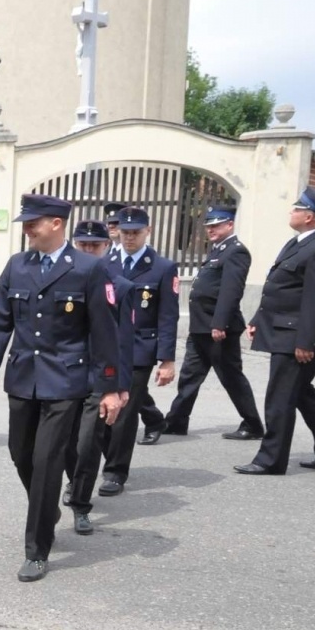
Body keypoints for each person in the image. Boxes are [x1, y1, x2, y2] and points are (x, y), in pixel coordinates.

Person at [0, 194, 121, 582]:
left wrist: (110, 387)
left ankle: (37, 548)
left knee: (46, 462)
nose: (27, 228)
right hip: (23, 378)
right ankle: (47, 508)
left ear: (56, 224)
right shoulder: (17, 266)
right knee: (20, 453)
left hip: (66, 381)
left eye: (33, 222)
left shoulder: (88, 268)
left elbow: (105, 333)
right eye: (25, 221)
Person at [236, 187, 315, 475]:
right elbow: (279, 287)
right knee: (301, 393)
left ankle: (270, 460)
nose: (290, 212)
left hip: (297, 338)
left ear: (309, 216)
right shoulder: (299, 243)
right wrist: (258, 318)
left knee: (280, 398)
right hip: (283, 331)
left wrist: (306, 341)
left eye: (296, 208)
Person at [160, 205, 265, 441]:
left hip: (218, 329)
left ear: (230, 224)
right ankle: (177, 420)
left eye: (216, 225)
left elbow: (231, 291)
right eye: (208, 226)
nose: (211, 230)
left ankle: (253, 424)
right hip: (201, 326)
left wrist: (220, 324)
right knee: (189, 375)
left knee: (231, 377)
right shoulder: (219, 250)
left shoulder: (236, 251)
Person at [96, 206, 178, 494]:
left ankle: (116, 472)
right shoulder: (104, 263)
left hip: (140, 348)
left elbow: (168, 315)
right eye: (125, 232)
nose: (129, 238)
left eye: (136, 233)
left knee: (127, 412)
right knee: (100, 410)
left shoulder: (162, 268)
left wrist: (166, 359)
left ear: (148, 232)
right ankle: (110, 457)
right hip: (106, 346)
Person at [64, 220, 135, 535]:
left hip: (98, 378)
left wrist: (120, 386)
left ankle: (80, 505)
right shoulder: (62, 281)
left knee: (88, 443)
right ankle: (71, 481)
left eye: (96, 244)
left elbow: (124, 341)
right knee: (63, 443)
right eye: (83, 244)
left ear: (108, 246)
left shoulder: (120, 287)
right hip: (65, 376)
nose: (89, 250)